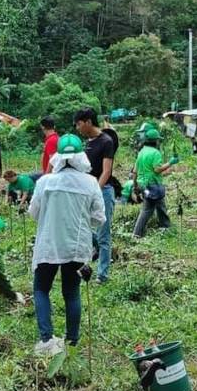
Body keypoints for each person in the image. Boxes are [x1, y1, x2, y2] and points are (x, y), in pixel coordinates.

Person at [29, 134, 106, 355]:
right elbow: (99, 218)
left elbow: (33, 213)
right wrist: (81, 220)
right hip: (77, 247)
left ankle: (47, 340)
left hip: (48, 245)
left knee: (41, 289)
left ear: (58, 157)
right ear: (81, 156)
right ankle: (72, 341)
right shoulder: (90, 182)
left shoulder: (45, 182)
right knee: (71, 292)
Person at [74, 107, 116, 284]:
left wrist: (94, 191)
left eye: (79, 124)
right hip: (87, 191)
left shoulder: (106, 141)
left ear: (88, 122)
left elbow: (106, 171)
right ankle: (96, 248)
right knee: (81, 226)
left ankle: (102, 275)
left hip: (103, 191)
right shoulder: (87, 143)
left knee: (103, 233)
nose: (77, 128)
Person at [132, 128, 177, 238]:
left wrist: (135, 186)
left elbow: (135, 171)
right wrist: (170, 163)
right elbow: (157, 169)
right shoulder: (155, 153)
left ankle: (165, 227)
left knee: (160, 204)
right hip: (152, 185)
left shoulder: (142, 151)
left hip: (143, 184)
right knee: (147, 210)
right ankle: (136, 234)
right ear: (156, 141)